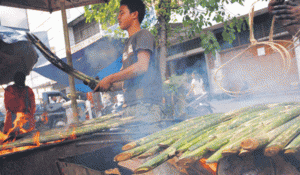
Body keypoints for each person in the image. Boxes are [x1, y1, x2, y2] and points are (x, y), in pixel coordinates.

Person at [91, 0, 163, 134]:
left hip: (145, 105)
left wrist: (111, 78)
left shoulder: (144, 35)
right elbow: (125, 82)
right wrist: (105, 85)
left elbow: (142, 66)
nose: (118, 18)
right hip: (131, 106)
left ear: (134, 14)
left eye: (122, 13)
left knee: (147, 149)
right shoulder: (127, 44)